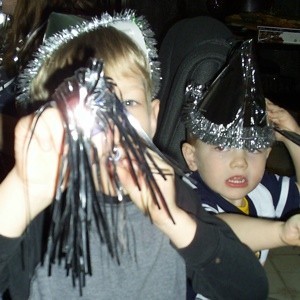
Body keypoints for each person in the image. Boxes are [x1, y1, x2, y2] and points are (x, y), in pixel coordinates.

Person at [0, 11, 299, 300]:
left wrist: (175, 222)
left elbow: (249, 288)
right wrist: (22, 190)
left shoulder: (173, 193)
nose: (111, 122)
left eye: (128, 102)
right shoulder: (40, 209)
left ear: (154, 116)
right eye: (91, 106)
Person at [181, 39, 300, 266]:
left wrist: (293, 136)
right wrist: (281, 233)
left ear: (267, 153)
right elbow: (217, 232)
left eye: (253, 148)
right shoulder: (186, 194)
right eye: (221, 146)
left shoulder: (264, 190)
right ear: (191, 157)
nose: (240, 162)